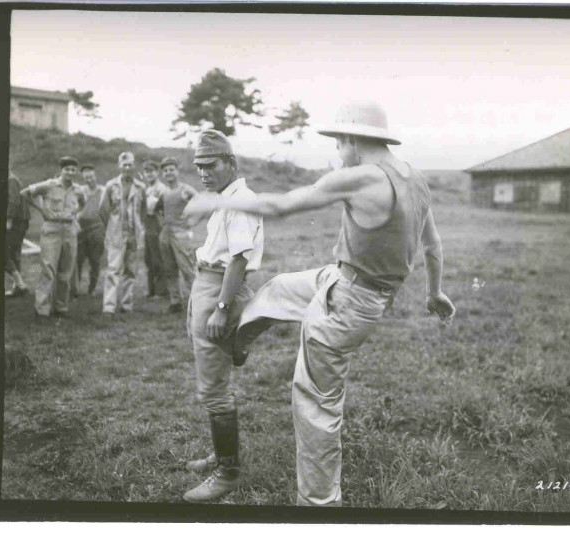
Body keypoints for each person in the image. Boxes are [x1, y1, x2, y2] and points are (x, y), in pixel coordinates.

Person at [184, 101, 456, 507]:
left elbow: (281, 205)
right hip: (342, 279)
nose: (337, 152)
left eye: (337, 143)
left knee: (314, 404)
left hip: (349, 301)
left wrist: (216, 202)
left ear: (351, 139)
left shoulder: (359, 177)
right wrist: (435, 292)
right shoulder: (414, 176)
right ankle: (238, 339)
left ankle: (318, 506)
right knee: (278, 288)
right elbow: (432, 243)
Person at [182, 130, 263, 503]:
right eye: (198, 166)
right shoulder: (225, 197)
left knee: (214, 387)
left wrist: (221, 307)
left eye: (210, 165)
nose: (203, 173)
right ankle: (220, 453)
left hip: (220, 288)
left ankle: (227, 473)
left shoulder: (240, 200)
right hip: (207, 283)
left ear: (231, 162)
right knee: (211, 376)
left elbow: (239, 259)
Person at [21, 156, 85, 317]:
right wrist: (42, 209)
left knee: (66, 270)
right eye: (67, 169)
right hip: (52, 229)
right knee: (48, 269)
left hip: (70, 230)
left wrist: (75, 212)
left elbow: (83, 203)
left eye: (73, 170)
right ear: (61, 170)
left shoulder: (77, 189)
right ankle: (42, 308)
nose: (70, 172)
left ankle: (61, 307)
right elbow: (25, 194)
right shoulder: (50, 185)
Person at [99, 152, 146, 315]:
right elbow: (103, 210)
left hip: (133, 233)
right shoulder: (111, 186)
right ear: (119, 166)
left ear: (134, 166)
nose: (127, 168)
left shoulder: (140, 187)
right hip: (116, 233)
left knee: (131, 270)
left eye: (130, 165)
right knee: (113, 269)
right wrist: (112, 227)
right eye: (124, 165)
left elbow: (143, 211)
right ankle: (109, 307)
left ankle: (126, 304)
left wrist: (139, 229)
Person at [155, 156, 198, 312]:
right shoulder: (164, 192)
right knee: (169, 269)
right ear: (163, 174)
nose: (168, 173)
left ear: (177, 171)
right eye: (165, 171)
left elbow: (201, 202)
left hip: (181, 233)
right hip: (166, 233)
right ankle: (175, 301)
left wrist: (192, 222)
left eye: (171, 169)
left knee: (187, 268)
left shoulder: (185, 189)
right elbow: (158, 209)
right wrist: (162, 223)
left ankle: (196, 302)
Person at [72, 164, 105, 296]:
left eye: (91, 177)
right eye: (86, 178)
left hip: (97, 228)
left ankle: (93, 289)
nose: (89, 180)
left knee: (95, 260)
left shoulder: (103, 190)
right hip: (81, 228)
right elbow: (74, 208)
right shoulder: (80, 190)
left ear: (95, 176)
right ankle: (75, 289)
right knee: (78, 259)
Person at [141, 159, 168, 298]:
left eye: (151, 171)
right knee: (148, 257)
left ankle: (161, 291)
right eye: (146, 172)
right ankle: (151, 290)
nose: (149, 174)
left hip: (157, 223)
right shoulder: (146, 188)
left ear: (157, 172)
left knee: (158, 257)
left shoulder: (161, 188)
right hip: (148, 223)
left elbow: (157, 208)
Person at [5, 170, 31, 297]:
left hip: (16, 222)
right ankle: (18, 287)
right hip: (18, 222)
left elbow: (14, 201)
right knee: (13, 254)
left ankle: (20, 284)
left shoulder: (11, 179)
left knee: (1, 252)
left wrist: (8, 220)